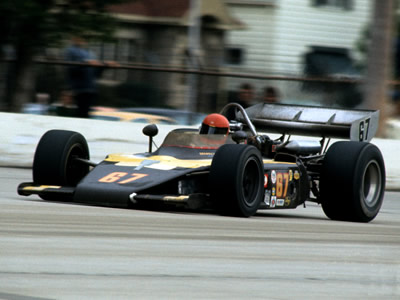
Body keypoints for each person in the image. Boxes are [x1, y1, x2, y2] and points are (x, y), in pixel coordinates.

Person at [64, 36, 103, 118]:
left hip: (89, 88)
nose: (81, 41)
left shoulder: (89, 53)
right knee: (78, 112)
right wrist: (85, 63)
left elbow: (95, 73)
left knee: (85, 112)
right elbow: (70, 68)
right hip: (78, 87)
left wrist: (103, 66)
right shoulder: (71, 51)